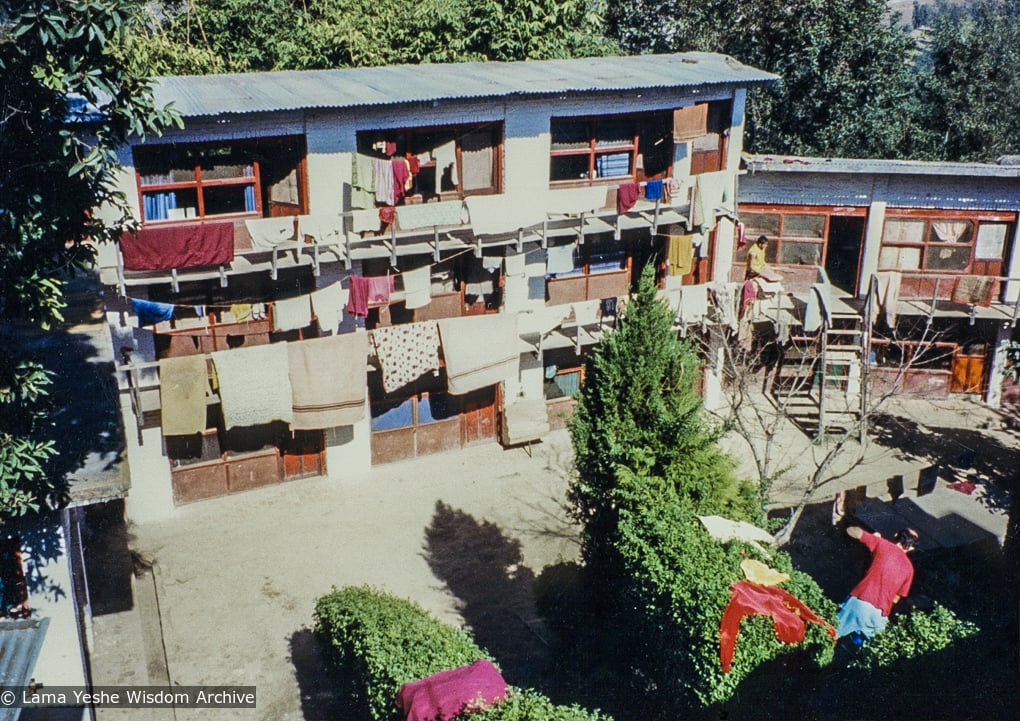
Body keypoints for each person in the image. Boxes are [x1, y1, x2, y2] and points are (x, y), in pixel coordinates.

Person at [836, 526, 918, 644]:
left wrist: (872, 537)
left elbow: (851, 530)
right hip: (879, 616)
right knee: (872, 652)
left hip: (860, 601)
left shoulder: (882, 544)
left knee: (831, 634)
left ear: (896, 535)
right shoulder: (909, 570)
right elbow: (896, 599)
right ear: (911, 548)